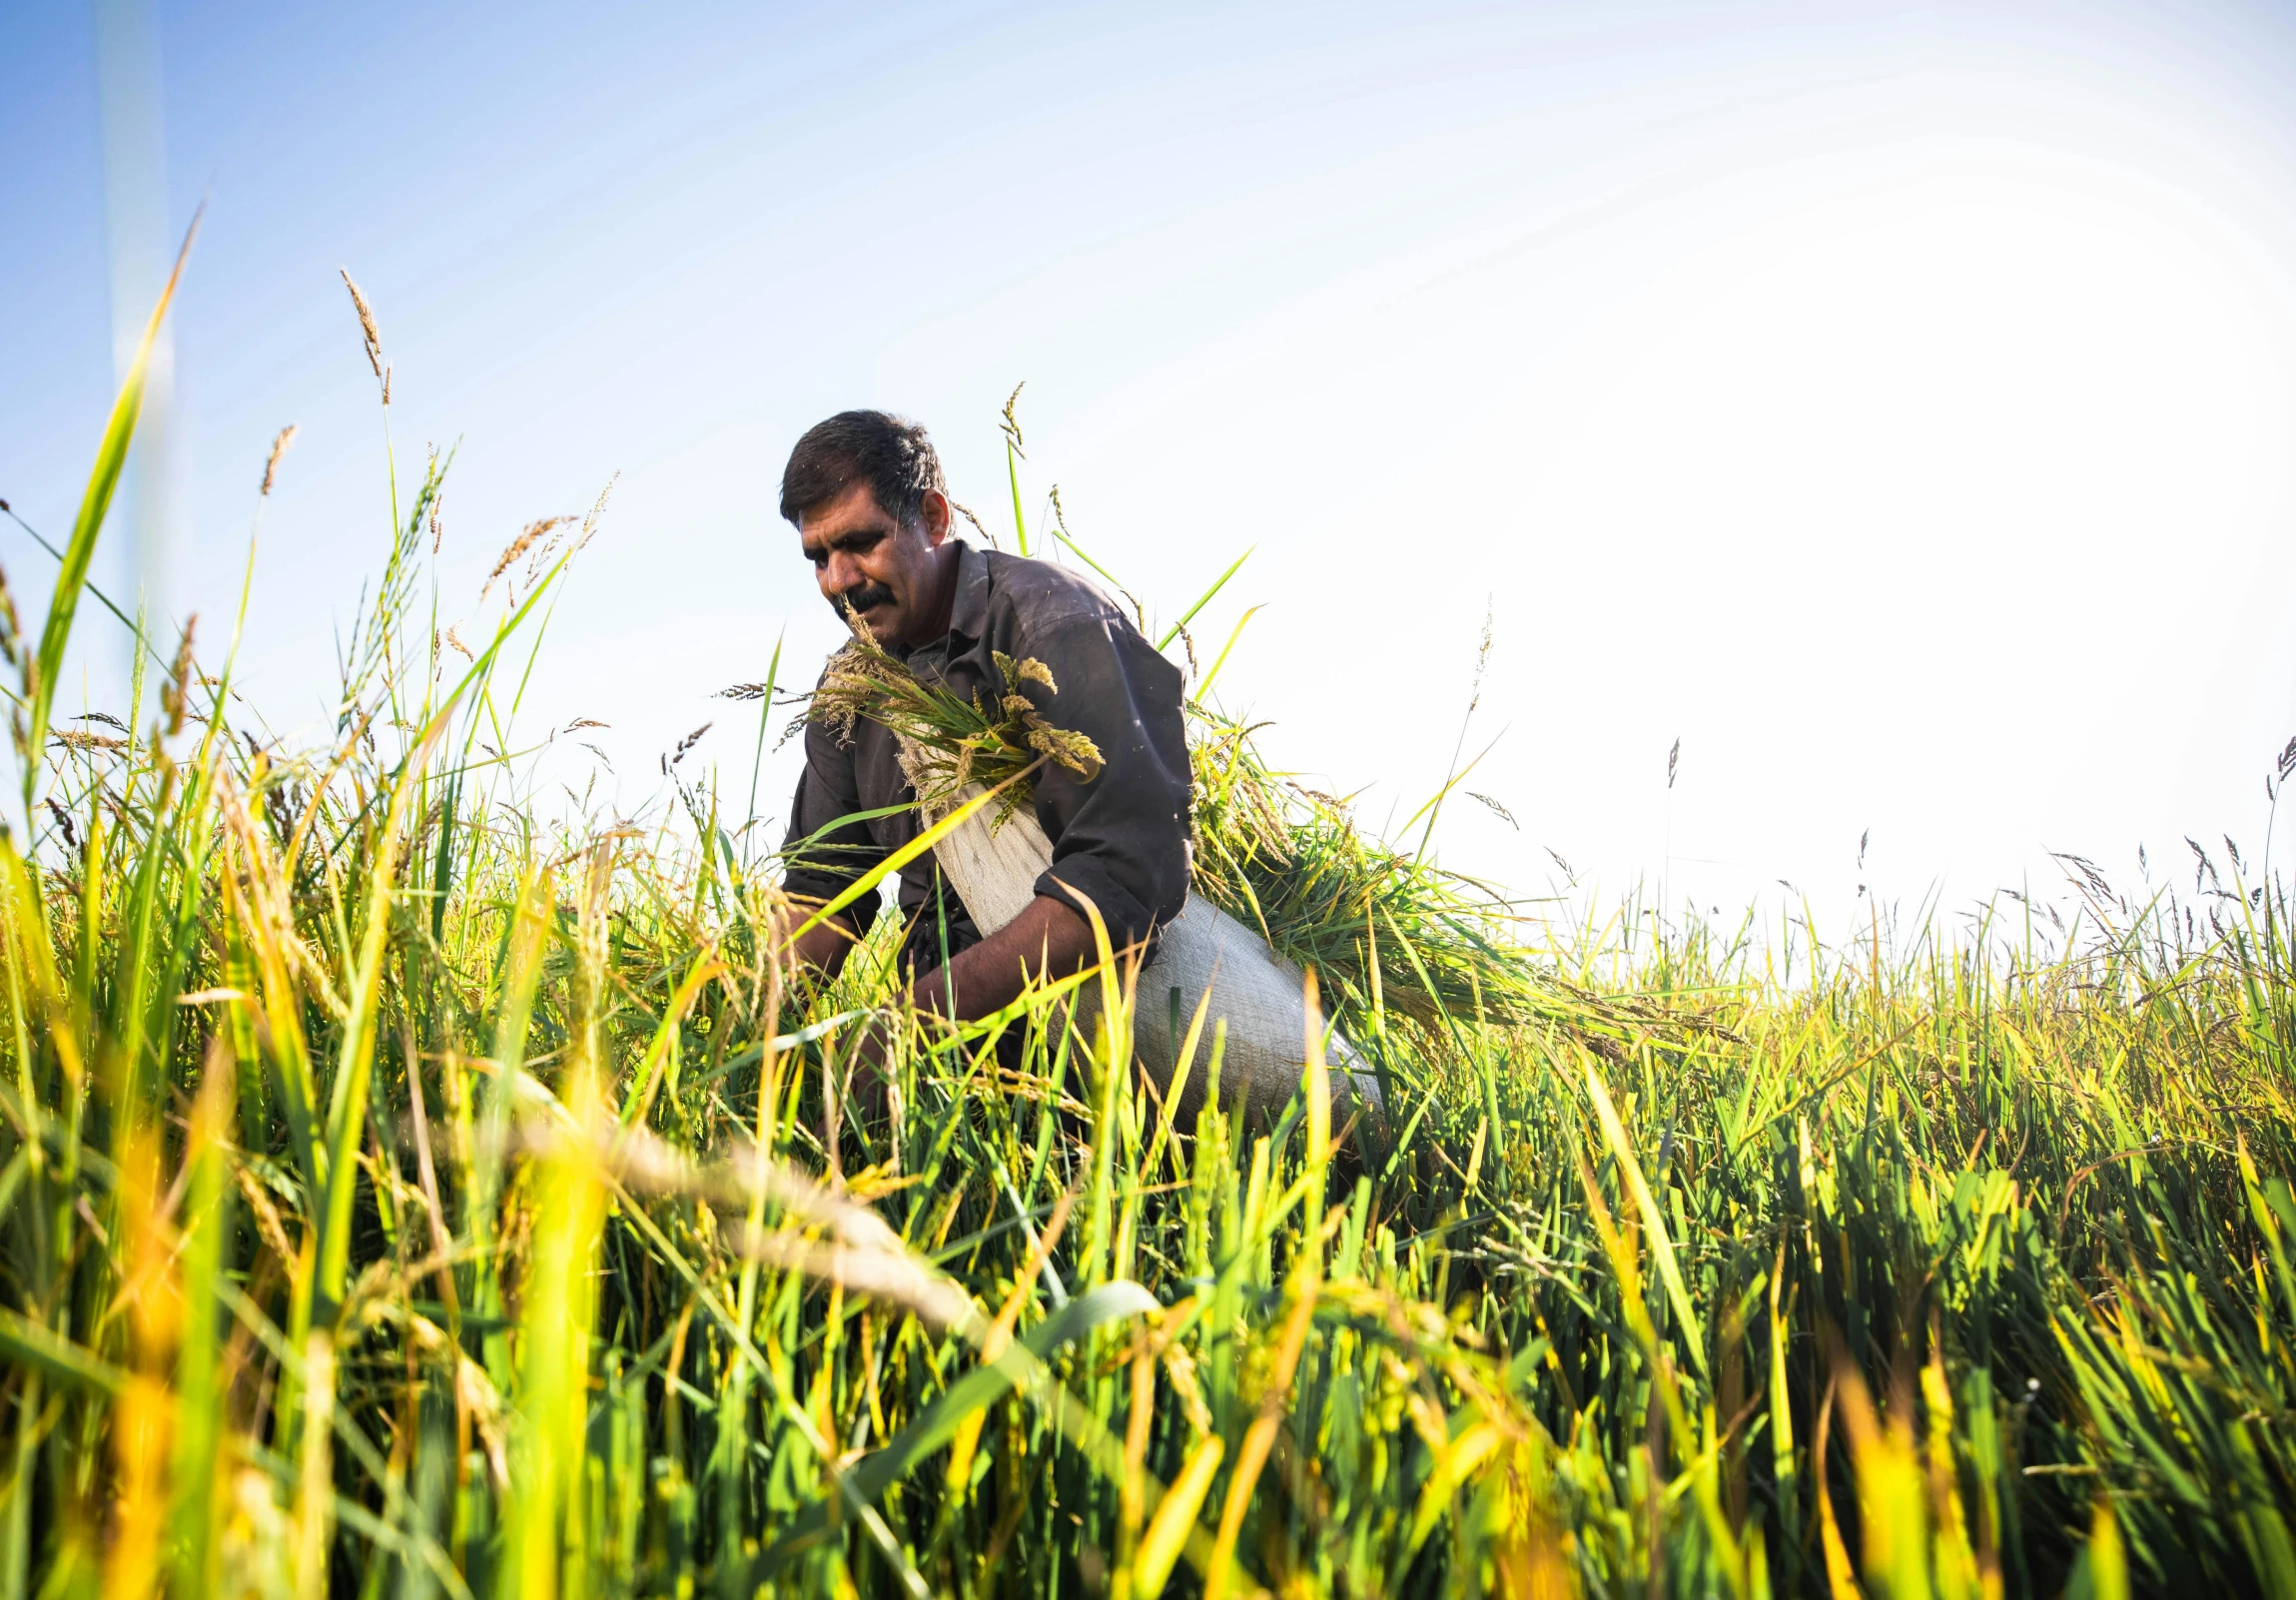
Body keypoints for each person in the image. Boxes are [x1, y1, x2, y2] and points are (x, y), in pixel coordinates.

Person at [775, 409, 1192, 1025]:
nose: (839, 580)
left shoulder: (1050, 625)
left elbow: (1127, 870)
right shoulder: (851, 692)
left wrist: (925, 1015)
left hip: (1088, 1016)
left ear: (934, 518)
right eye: (818, 557)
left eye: (861, 543)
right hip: (942, 1039)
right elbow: (823, 895)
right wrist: (741, 1042)